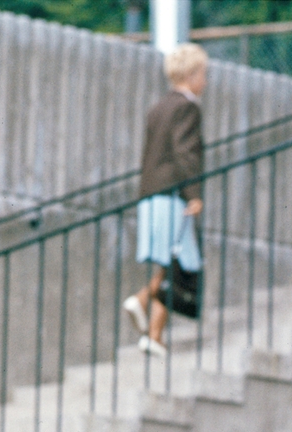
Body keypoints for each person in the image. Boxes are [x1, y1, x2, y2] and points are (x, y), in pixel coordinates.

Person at [123, 43, 207, 356]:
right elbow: (185, 153)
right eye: (204, 74)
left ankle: (153, 334)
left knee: (172, 263)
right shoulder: (188, 107)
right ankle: (143, 302)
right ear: (192, 74)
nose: (206, 82)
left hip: (152, 193)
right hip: (173, 194)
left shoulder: (158, 107)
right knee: (181, 264)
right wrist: (194, 194)